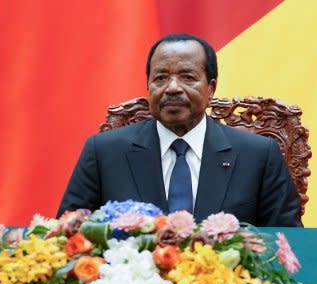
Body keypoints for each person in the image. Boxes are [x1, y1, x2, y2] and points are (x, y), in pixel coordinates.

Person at [57, 33, 302, 227]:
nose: (172, 88)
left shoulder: (258, 155)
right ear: (148, 86)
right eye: (160, 78)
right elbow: (66, 236)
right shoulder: (104, 152)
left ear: (211, 89)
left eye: (187, 77)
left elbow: (289, 244)